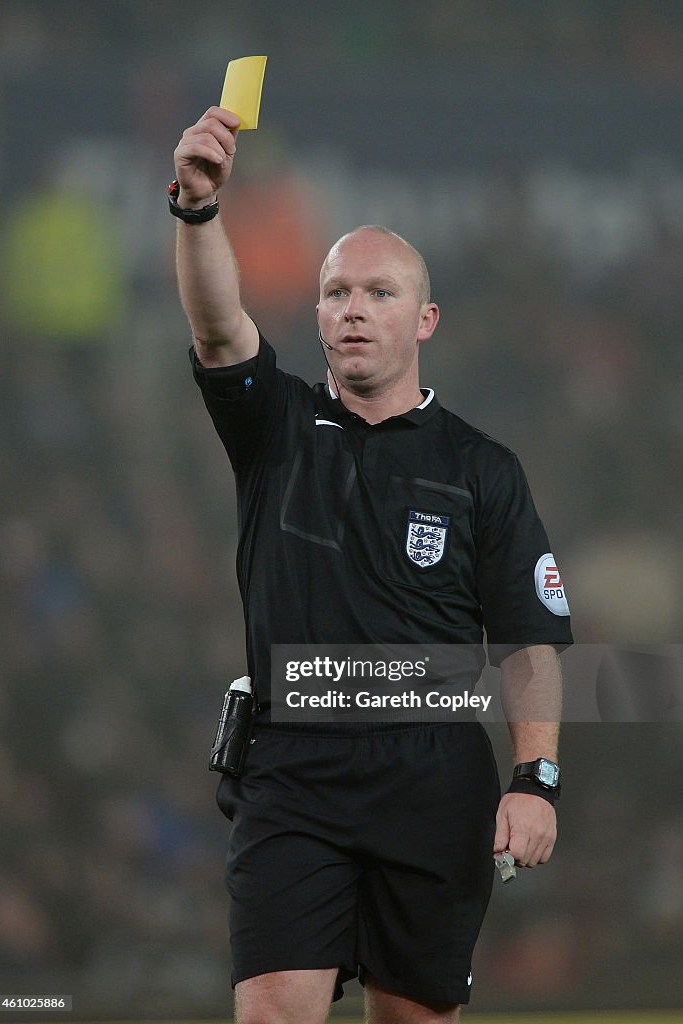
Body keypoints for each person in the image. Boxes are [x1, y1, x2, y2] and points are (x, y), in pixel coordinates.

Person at [171, 106, 573, 1024]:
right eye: (338, 292)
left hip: (431, 780)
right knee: (272, 1011)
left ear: (424, 317)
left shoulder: (482, 470)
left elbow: (527, 640)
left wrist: (535, 778)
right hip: (293, 776)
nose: (355, 309)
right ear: (316, 313)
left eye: (379, 293)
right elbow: (218, 325)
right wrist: (196, 210)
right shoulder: (275, 429)